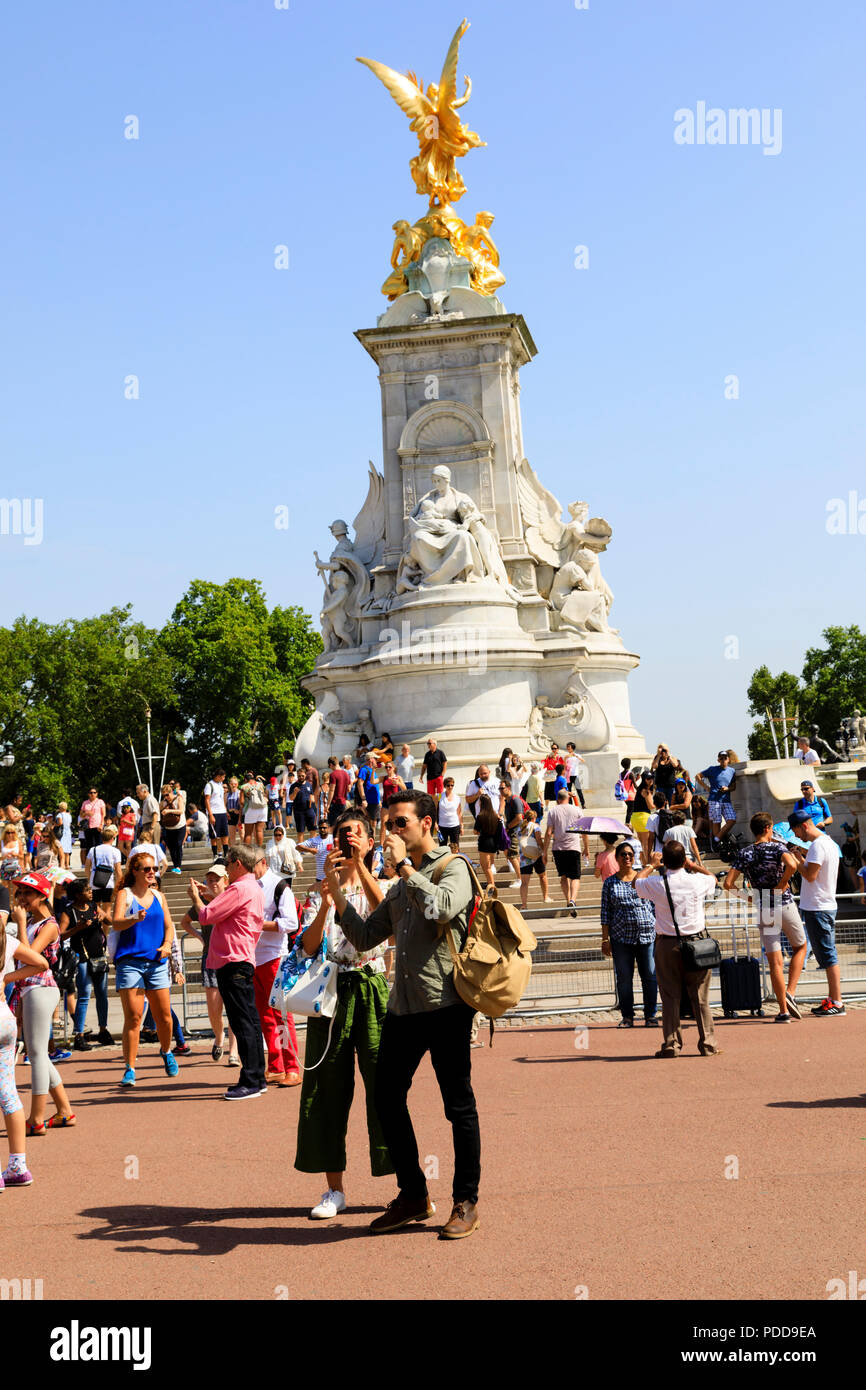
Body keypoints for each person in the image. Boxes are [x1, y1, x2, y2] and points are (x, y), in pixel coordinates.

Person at [334, 790, 482, 1239]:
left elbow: (439, 908)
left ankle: (465, 1200)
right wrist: (336, 893)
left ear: (427, 825)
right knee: (385, 1098)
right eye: (388, 824)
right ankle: (414, 1194)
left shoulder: (453, 867)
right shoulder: (400, 886)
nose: (391, 831)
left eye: (400, 823)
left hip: (447, 1006)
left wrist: (403, 868)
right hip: (403, 1009)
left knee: (457, 1106)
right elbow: (363, 938)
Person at [294, 811, 391, 1217]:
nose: (347, 838)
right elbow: (307, 948)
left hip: (370, 988)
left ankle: (405, 1184)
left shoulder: (385, 884)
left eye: (355, 833)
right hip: (330, 996)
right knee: (325, 1091)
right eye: (340, 833)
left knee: (387, 1088)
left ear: (370, 843)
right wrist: (327, 898)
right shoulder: (320, 892)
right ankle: (333, 1190)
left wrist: (359, 872)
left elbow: (386, 918)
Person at [189, 843, 266, 1099]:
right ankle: (257, 1076)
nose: (226, 868)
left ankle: (251, 1079)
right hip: (240, 958)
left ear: (237, 865)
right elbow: (225, 910)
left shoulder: (239, 887)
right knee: (249, 1021)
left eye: (228, 864)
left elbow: (207, 916)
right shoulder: (250, 886)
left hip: (232, 960)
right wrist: (210, 897)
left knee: (242, 1021)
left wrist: (196, 898)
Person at [633, 842, 721, 1057]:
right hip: (697, 942)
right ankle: (708, 1044)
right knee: (700, 996)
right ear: (683, 860)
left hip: (667, 943)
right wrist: (694, 865)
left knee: (670, 996)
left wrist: (651, 865)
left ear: (665, 861)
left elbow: (637, 882)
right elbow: (713, 878)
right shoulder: (696, 881)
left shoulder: (657, 883)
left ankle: (672, 1044)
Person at [9, 871, 77, 1132]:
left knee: (37, 1054)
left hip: (41, 988)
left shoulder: (49, 925)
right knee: (38, 1054)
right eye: (21, 893)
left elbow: (29, 957)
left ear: (41, 895)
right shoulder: (33, 924)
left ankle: (36, 1118)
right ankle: (64, 1111)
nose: (22, 898)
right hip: (30, 990)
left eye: (27, 892)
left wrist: (22, 922)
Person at [723, 812, 807, 1022]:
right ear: (769, 828)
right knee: (800, 946)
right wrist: (781, 883)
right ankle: (791, 991)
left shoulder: (746, 852)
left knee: (775, 961)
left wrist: (748, 898)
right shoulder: (778, 847)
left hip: (763, 906)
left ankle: (783, 1011)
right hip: (783, 902)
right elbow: (793, 865)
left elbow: (727, 884)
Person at [111, 847, 179, 1087]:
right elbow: (116, 923)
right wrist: (133, 918)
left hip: (157, 961)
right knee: (134, 1017)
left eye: (155, 868)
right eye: (147, 869)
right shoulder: (125, 894)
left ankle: (166, 1050)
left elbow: (169, 926)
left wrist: (168, 944)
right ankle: (129, 1068)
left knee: (165, 1018)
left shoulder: (159, 896)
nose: (152, 872)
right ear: (136, 871)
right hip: (130, 962)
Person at [787, 810, 845, 1016]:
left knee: (827, 955)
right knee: (826, 954)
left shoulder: (817, 846)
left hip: (818, 906)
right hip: (822, 904)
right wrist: (801, 856)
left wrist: (796, 860)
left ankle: (837, 1001)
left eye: (796, 831)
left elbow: (810, 875)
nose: (796, 836)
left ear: (803, 826)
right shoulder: (826, 843)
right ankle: (833, 999)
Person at [177, 863, 236, 1063]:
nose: (212, 883)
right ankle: (219, 1037)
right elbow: (184, 922)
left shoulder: (233, 897)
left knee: (234, 1006)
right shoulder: (202, 902)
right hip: (210, 957)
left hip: (230, 956)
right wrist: (200, 936)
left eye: (216, 879)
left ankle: (233, 1051)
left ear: (226, 881)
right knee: (213, 1007)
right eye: (209, 879)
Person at [252, 850, 300, 1087]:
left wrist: (260, 925)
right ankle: (275, 1065)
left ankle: (291, 1067)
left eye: (251, 866)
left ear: (263, 862)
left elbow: (292, 922)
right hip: (253, 958)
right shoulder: (249, 885)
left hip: (274, 957)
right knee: (265, 1016)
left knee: (281, 1015)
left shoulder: (279, 886)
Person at [601, 842, 658, 1028]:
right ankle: (627, 1016)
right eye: (623, 855)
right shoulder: (610, 883)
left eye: (630, 855)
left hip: (646, 936)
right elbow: (605, 912)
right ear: (616, 858)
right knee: (624, 978)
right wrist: (605, 939)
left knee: (649, 975)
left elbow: (656, 907)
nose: (627, 858)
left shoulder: (644, 879)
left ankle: (650, 1015)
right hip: (621, 938)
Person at [57, 880, 113, 1050]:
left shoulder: (93, 906)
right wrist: (78, 928)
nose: (90, 892)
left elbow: (111, 921)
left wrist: (104, 917)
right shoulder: (69, 912)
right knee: (84, 994)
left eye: (90, 889)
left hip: (99, 956)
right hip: (81, 958)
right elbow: (61, 935)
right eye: (87, 890)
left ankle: (103, 1030)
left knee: (102, 995)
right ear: (77, 894)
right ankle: (79, 1035)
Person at [542, 787, 584, 914]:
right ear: (568, 798)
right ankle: (573, 900)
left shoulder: (553, 811)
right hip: (574, 847)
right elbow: (583, 830)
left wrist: (545, 851)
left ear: (557, 799)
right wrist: (586, 847)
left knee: (564, 876)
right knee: (575, 877)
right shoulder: (577, 810)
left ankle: (567, 900)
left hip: (558, 849)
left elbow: (549, 833)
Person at [696, 751, 737, 847]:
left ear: (728, 759)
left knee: (732, 819)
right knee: (716, 822)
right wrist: (707, 788)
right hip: (714, 799)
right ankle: (718, 843)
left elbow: (734, 786)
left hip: (726, 800)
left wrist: (727, 788)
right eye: (721, 758)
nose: (723, 760)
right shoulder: (712, 769)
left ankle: (716, 840)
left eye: (725, 758)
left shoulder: (732, 771)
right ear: (718, 760)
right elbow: (698, 776)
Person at [518, 809, 551, 908]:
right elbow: (538, 840)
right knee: (542, 876)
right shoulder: (536, 827)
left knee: (524, 882)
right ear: (534, 818)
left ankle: (524, 904)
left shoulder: (520, 828)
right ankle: (545, 897)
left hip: (524, 857)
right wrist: (544, 850)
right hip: (536, 855)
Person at [85, 825, 123, 904]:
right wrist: (119, 885)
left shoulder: (93, 849)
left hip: (94, 882)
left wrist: (90, 879)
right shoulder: (115, 851)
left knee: (96, 910)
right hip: (109, 883)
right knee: (107, 910)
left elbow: (87, 867)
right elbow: (118, 871)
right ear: (112, 839)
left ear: (102, 838)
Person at [497, 779, 524, 887]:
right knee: (514, 855)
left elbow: (519, 818)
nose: (500, 790)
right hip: (512, 831)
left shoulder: (515, 800)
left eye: (502, 788)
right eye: (499, 788)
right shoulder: (507, 801)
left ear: (508, 788)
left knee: (512, 855)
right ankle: (520, 878)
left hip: (515, 831)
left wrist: (508, 827)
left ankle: (519, 879)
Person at [474, 794, 503, 891]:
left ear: (482, 803)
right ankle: (490, 884)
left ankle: (492, 886)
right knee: (488, 866)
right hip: (494, 843)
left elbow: (475, 831)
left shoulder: (481, 816)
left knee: (486, 867)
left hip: (484, 843)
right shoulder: (496, 815)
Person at [297, 821, 334, 886]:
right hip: (320, 877)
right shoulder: (314, 840)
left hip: (334, 876)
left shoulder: (333, 838)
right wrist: (310, 850)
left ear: (329, 828)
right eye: (320, 828)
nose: (322, 829)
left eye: (324, 828)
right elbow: (298, 847)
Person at [160, 782, 185, 874]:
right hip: (169, 827)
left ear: (171, 792)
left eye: (167, 794)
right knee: (171, 847)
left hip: (180, 826)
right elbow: (158, 810)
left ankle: (178, 866)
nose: (166, 797)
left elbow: (181, 811)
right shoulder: (163, 802)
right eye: (164, 795)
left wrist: (168, 811)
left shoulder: (178, 798)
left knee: (178, 845)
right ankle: (175, 865)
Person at [203, 769, 229, 860]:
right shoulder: (209, 785)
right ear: (218, 776)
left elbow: (221, 799)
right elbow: (207, 800)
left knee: (224, 833)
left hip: (222, 812)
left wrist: (225, 811)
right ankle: (215, 854)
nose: (224, 778)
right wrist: (210, 814)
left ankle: (226, 853)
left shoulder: (220, 785)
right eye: (223, 776)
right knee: (214, 835)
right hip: (214, 812)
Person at [325, 756, 352, 826]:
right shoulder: (346, 773)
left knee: (333, 826)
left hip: (335, 802)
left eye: (329, 766)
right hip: (343, 802)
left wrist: (327, 804)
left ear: (331, 764)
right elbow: (349, 788)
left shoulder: (333, 774)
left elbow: (331, 790)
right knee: (341, 825)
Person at [437, 778, 463, 849]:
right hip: (441, 827)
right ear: (445, 786)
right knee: (442, 847)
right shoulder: (439, 796)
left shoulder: (457, 797)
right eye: (448, 785)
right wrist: (436, 824)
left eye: (452, 785)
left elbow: (459, 812)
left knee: (455, 847)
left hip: (455, 826)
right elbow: (436, 810)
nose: (450, 787)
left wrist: (462, 825)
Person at [78, 787, 106, 854]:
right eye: (91, 792)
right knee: (89, 846)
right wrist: (86, 813)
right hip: (88, 826)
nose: (92, 794)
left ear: (97, 794)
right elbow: (81, 814)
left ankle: (98, 861)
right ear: (88, 794)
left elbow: (103, 814)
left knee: (98, 845)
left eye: (94, 792)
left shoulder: (100, 802)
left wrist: (101, 824)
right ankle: (90, 862)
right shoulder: (85, 803)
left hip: (97, 825)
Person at [565, 743, 587, 808]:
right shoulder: (566, 756)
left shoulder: (577, 755)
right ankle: (570, 805)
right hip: (568, 776)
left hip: (575, 775)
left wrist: (576, 756)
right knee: (568, 791)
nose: (568, 748)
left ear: (572, 748)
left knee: (579, 790)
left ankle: (583, 804)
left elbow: (583, 761)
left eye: (569, 747)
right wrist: (565, 758)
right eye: (567, 747)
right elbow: (564, 765)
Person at [54, 802, 73, 869]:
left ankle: (62, 864)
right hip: (68, 832)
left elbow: (60, 823)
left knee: (61, 849)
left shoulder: (59, 815)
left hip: (62, 833)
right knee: (67, 850)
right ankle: (67, 864)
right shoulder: (69, 815)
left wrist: (54, 825)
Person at [226, 776, 242, 846]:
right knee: (232, 836)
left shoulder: (239, 793)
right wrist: (227, 813)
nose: (233, 785)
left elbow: (242, 805)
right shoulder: (227, 794)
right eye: (232, 783)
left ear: (237, 784)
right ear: (229, 784)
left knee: (242, 834)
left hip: (239, 815)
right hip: (230, 815)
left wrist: (239, 814)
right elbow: (224, 805)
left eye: (235, 783)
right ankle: (234, 852)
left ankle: (245, 851)